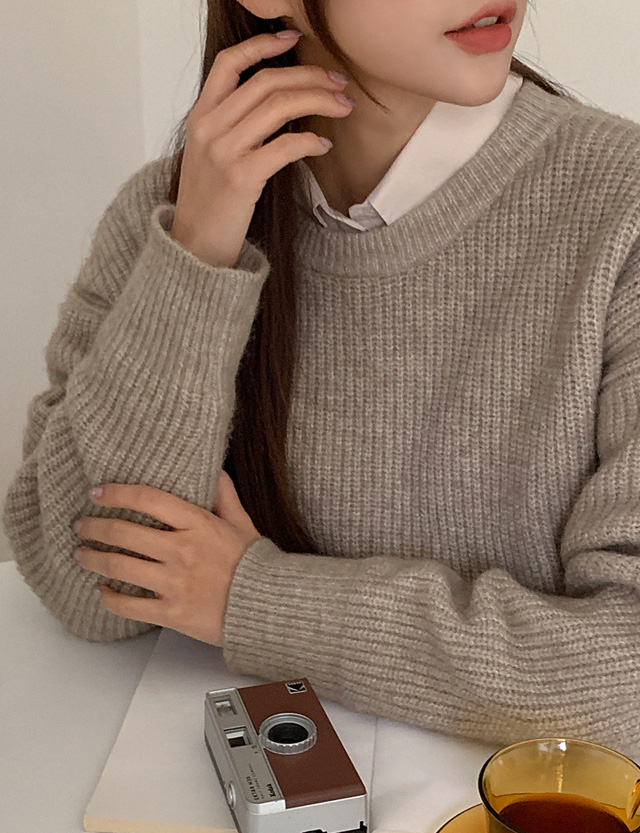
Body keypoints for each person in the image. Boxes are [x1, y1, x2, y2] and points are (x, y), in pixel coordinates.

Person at [3, 0, 640, 758]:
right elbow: (88, 591)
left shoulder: (622, 210)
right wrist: (199, 251)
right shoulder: (173, 209)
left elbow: (625, 674)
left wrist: (253, 601)